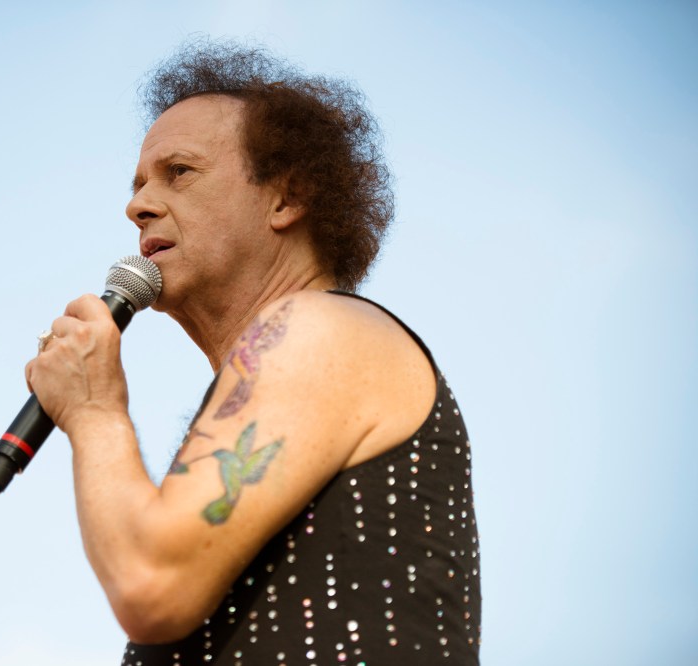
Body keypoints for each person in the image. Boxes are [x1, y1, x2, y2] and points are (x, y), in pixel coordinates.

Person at [26, 40, 481, 665]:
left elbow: (150, 583)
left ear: (285, 198)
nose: (137, 206)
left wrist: (94, 409)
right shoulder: (309, 349)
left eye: (179, 172)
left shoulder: (323, 330)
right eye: (138, 186)